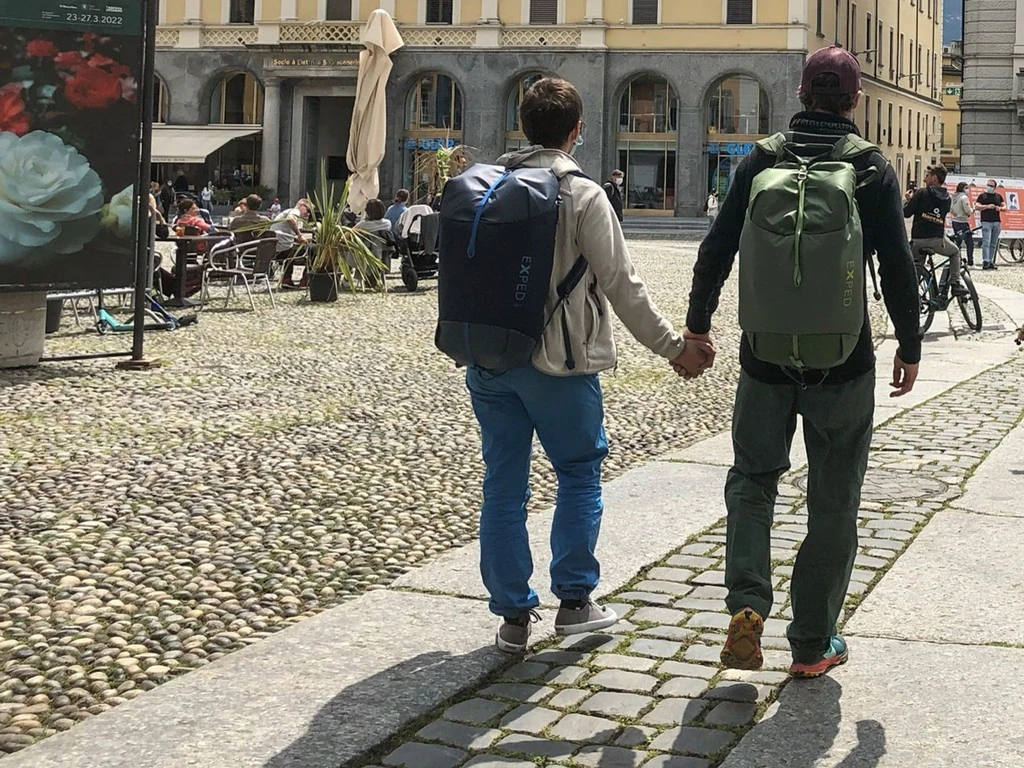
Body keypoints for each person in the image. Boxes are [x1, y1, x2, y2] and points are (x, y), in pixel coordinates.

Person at [685, 46, 921, 679]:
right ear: (855, 99)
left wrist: (698, 324)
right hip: (843, 361)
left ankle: (747, 603)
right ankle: (813, 643)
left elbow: (717, 248)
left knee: (752, 480)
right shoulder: (870, 167)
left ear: (800, 94)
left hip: (764, 356)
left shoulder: (761, 159)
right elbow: (897, 265)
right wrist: (910, 343)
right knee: (834, 499)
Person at [467, 77, 712, 654]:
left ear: (522, 126)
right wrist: (675, 348)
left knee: (503, 484)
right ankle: (575, 602)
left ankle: (512, 616)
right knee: (578, 473)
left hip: (490, 360)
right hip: (561, 364)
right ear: (577, 130)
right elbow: (623, 285)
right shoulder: (581, 194)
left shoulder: (484, 186)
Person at [904, 165, 966, 297]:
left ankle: (912, 296)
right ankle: (955, 284)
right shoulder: (948, 198)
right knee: (955, 252)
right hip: (937, 240)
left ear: (934, 178)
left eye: (927, 176)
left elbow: (906, 213)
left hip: (918, 240)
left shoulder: (921, 193)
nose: (924, 179)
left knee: (915, 271)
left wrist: (909, 200)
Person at [271, 199, 313, 287]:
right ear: (301, 205)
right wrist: (299, 235)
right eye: (308, 210)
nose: (308, 214)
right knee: (313, 250)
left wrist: (300, 238)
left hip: (276, 248)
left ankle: (287, 279)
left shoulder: (286, 212)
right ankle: (305, 280)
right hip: (283, 248)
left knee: (295, 249)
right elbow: (290, 219)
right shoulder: (295, 211)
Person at [976, 178, 1007, 270]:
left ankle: (990, 261)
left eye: (991, 185)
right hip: (986, 221)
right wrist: (987, 206)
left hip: (996, 221)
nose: (988, 187)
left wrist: (1000, 208)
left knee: (993, 243)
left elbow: (1005, 206)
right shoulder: (982, 196)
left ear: (994, 187)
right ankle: (985, 261)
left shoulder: (998, 196)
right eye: (988, 185)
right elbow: (977, 206)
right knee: (986, 242)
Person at [950, 181, 976, 267]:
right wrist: (973, 209)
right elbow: (967, 210)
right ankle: (970, 262)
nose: (968, 190)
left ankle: (956, 261)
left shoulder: (954, 197)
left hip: (955, 221)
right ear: (962, 188)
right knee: (969, 242)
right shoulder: (964, 197)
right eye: (966, 188)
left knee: (958, 242)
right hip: (963, 222)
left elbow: (950, 209)